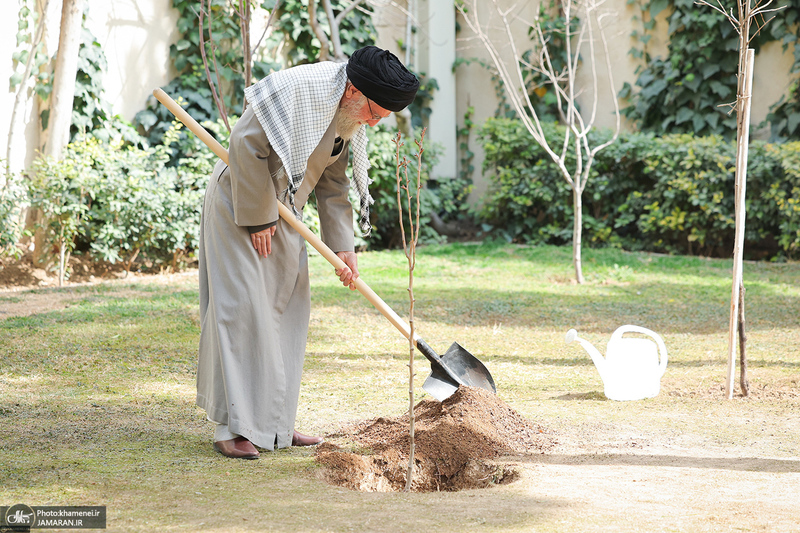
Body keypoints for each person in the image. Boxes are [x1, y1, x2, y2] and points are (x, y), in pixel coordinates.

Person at [196, 46, 420, 459]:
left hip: (287, 211)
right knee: (242, 309)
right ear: (353, 88)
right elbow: (245, 142)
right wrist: (260, 216)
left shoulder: (345, 115)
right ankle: (233, 428)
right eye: (374, 113)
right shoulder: (302, 88)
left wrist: (343, 248)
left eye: (380, 119)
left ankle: (274, 424)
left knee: (286, 311)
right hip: (242, 202)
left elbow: (333, 186)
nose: (372, 122)